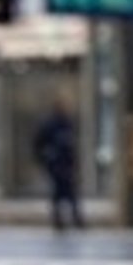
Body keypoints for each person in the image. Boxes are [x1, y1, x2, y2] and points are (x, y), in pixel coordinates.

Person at [34, 96, 84, 231]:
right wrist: (45, 159)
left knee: (70, 193)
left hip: (66, 164)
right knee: (58, 192)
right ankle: (59, 219)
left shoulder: (67, 123)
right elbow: (38, 144)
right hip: (55, 164)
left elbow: (71, 145)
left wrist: (74, 162)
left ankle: (75, 219)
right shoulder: (49, 124)